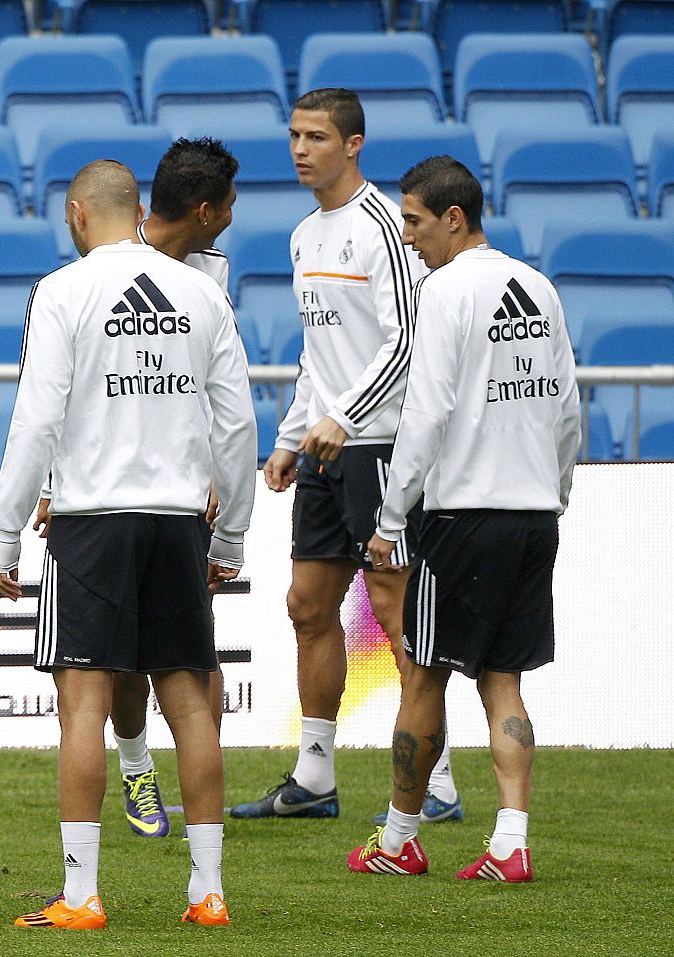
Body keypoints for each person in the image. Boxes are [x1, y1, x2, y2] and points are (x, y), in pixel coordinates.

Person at [0, 160, 256, 929]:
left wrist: (6, 530)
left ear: (77, 214)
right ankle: (207, 893)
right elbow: (236, 423)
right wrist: (232, 529)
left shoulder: (62, 290)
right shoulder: (201, 290)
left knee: (82, 701)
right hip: (179, 517)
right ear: (136, 208)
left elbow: (36, 417)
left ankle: (82, 896)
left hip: (92, 518)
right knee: (191, 702)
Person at [346, 155, 579, 881]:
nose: (407, 236)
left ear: (453, 217)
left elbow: (427, 412)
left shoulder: (445, 291)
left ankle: (398, 838)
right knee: (503, 679)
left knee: (422, 674)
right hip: (534, 511)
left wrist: (388, 520)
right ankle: (511, 842)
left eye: (414, 220)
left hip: (464, 514)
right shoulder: (538, 285)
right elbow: (568, 408)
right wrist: (557, 491)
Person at [233, 88, 462, 822]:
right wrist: (291, 437)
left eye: (318, 137)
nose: (301, 149)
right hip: (327, 450)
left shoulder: (381, 229)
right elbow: (316, 353)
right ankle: (316, 778)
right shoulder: (305, 235)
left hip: (378, 445)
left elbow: (406, 340)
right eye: (295, 135)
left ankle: (439, 783)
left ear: (354, 145)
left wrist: (344, 416)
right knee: (307, 605)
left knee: (396, 612)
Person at [33, 137, 241, 841]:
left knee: (138, 681)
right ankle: (138, 770)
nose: (234, 219)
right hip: (137, 496)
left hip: (151, 496)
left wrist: (217, 481)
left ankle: (86, 886)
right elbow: (86, 392)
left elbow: (204, 395)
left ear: (78, 213)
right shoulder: (107, 281)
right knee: (145, 678)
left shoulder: (208, 276)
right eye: (230, 206)